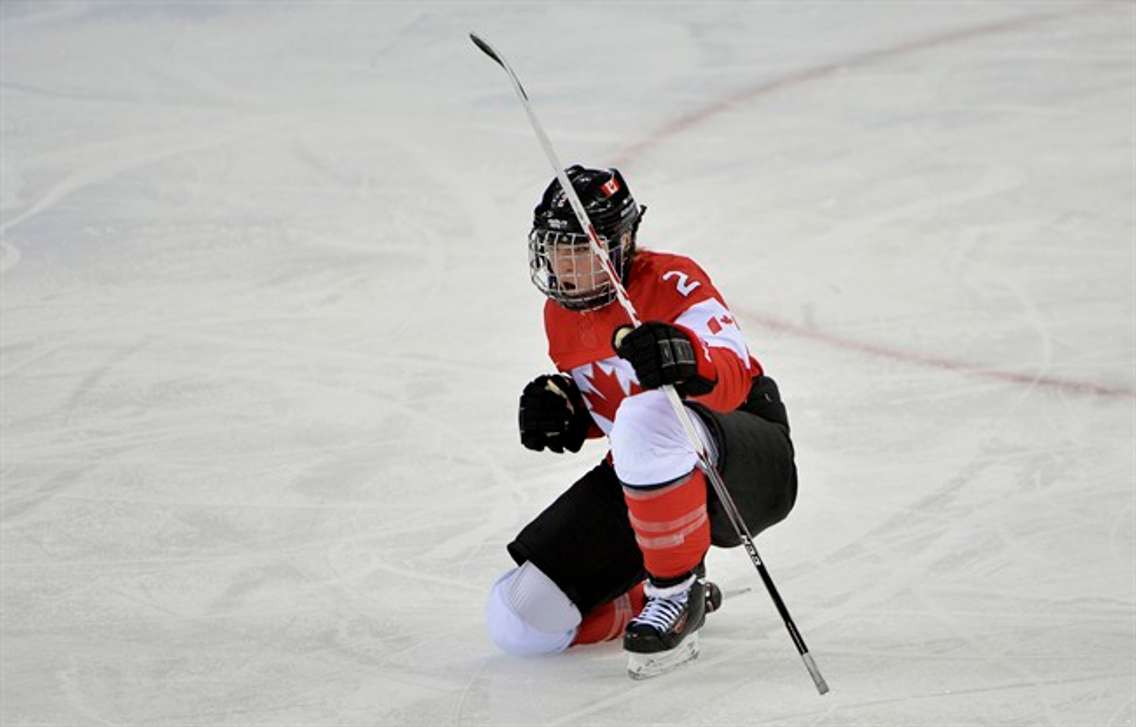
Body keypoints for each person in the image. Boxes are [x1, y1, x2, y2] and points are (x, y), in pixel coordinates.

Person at [485, 165, 798, 678]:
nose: (566, 266)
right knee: (517, 620)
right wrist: (569, 412)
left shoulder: (673, 279)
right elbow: (608, 407)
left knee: (647, 412)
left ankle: (676, 595)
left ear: (621, 242)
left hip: (744, 456)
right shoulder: (560, 314)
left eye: (580, 250)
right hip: (651, 479)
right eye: (557, 249)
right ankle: (654, 588)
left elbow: (734, 374)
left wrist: (687, 358)